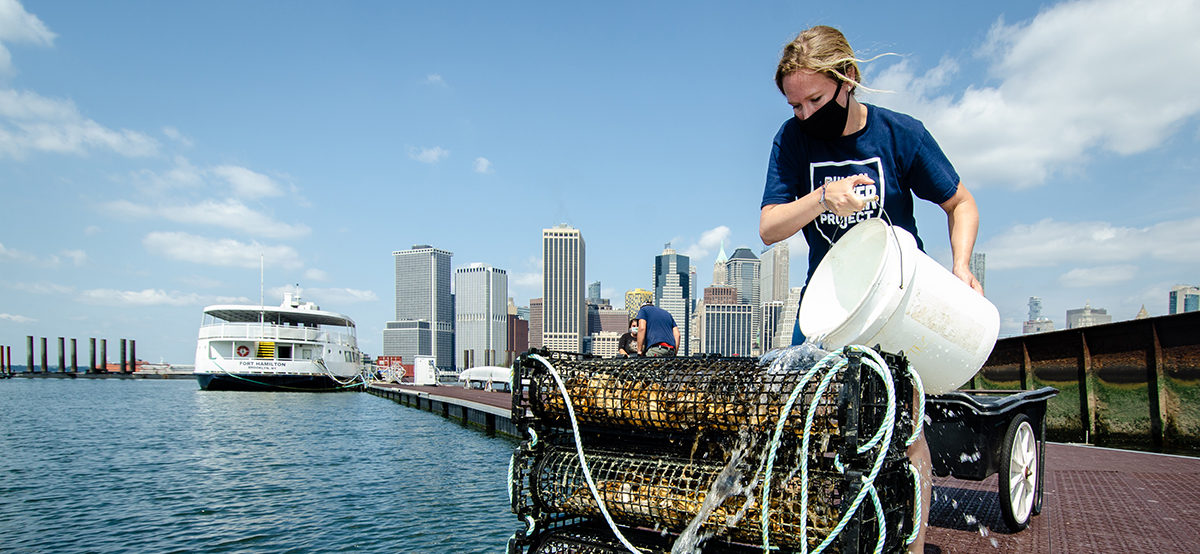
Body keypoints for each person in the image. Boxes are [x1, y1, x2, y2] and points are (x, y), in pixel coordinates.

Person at [758, 25, 984, 553]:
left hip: (899, 301)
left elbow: (961, 203)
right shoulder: (792, 140)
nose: (806, 115)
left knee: (905, 430)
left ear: (848, 80)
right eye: (796, 105)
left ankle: (913, 544)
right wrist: (820, 199)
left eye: (815, 99)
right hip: (827, 305)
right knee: (806, 427)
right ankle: (815, 538)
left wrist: (963, 265)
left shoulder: (901, 134)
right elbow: (769, 227)